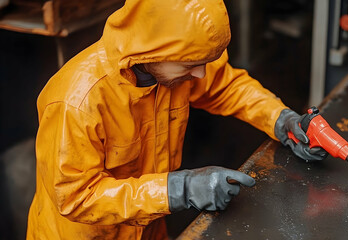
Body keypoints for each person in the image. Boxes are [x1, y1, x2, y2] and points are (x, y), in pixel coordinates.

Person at [27, 0, 326, 239]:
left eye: (203, 63)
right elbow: (76, 197)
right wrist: (178, 189)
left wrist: (281, 119)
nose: (199, 75)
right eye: (191, 65)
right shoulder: (77, 101)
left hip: (150, 226)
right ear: (152, 48)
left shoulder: (171, 68)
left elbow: (227, 86)